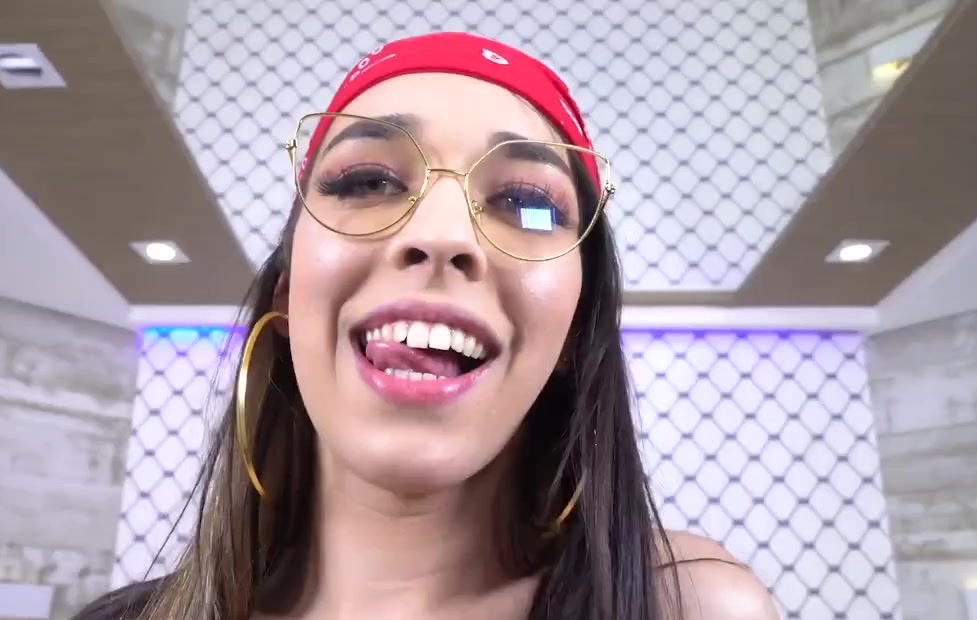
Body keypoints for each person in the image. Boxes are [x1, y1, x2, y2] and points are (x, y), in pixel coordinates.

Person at [77, 31, 780, 620]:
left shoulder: (688, 606)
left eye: (527, 203)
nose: (442, 235)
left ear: (574, 328)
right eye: (367, 182)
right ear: (287, 295)